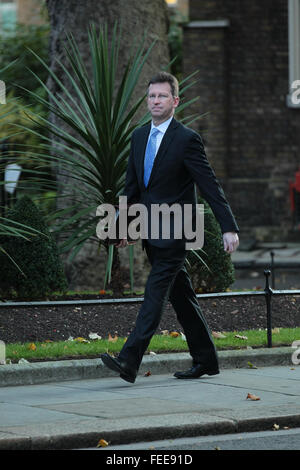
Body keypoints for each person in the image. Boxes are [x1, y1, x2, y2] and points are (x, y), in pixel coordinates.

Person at [101, 71, 239, 383]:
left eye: (162, 96)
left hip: (177, 232)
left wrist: (228, 227)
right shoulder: (138, 137)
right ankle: (206, 360)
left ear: (175, 101)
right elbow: (132, 190)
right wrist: (124, 228)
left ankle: (129, 360)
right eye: (151, 96)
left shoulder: (186, 139)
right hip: (151, 232)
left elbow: (210, 186)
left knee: (154, 293)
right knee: (183, 297)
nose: (156, 101)